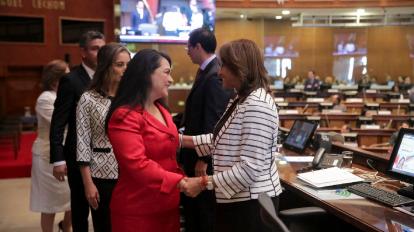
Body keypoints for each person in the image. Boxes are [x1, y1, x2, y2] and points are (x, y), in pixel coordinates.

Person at [180, 39, 282, 232]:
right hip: (239, 200)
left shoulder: (256, 105)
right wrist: (181, 141)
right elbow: (225, 139)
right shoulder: (241, 99)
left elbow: (249, 170)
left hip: (251, 205)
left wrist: (203, 183)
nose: (219, 72)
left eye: (224, 65)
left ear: (240, 68)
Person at [106, 49, 186, 232]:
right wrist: (180, 182)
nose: (171, 79)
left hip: (166, 205)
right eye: (166, 72)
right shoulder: (125, 116)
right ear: (146, 74)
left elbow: (167, 139)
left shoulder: (160, 108)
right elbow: (137, 163)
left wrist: (202, 142)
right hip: (138, 209)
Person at [50, 30, 105, 232]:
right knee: (80, 211)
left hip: (105, 156)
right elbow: (58, 122)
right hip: (76, 156)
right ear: (83, 52)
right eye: (94, 49)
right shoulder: (71, 80)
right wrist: (58, 159)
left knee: (103, 209)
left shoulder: (109, 78)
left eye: (102, 48)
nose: (99, 53)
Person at [180, 28, 231, 232]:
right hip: (195, 151)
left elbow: (214, 121)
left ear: (198, 46)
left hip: (202, 158)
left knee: (203, 215)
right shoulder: (205, 70)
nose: (187, 51)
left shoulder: (214, 75)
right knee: (193, 212)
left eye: (188, 47)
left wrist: (205, 159)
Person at [76, 43, 130, 232]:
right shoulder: (88, 99)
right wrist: (88, 183)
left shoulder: (132, 98)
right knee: (104, 226)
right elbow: (82, 142)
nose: (125, 70)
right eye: (119, 64)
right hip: (101, 175)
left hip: (131, 172)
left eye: (127, 65)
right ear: (106, 66)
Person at [30, 60, 72, 232]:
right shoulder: (45, 98)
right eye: (67, 75)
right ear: (56, 80)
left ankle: (66, 227)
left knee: (73, 198)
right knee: (49, 204)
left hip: (68, 153)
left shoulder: (65, 95)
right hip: (48, 156)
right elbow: (61, 122)